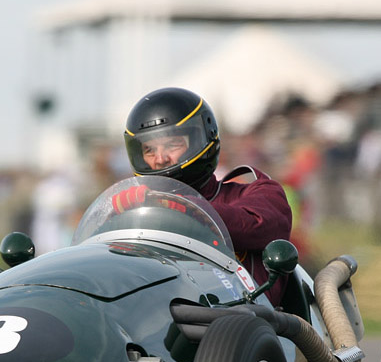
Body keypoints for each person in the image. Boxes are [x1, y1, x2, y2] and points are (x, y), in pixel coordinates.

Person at [121, 87, 293, 304]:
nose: (160, 159)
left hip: (241, 322)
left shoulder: (259, 192)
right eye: (149, 150)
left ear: (201, 140)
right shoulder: (139, 211)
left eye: (172, 145)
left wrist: (179, 207)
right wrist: (118, 216)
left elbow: (258, 223)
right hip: (159, 322)